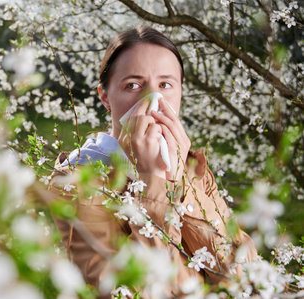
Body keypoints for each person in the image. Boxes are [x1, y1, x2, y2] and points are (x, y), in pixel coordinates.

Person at [49, 26, 257, 298]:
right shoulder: (78, 181)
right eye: (133, 85)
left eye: (165, 85)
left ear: (181, 92)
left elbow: (246, 277)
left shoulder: (192, 169)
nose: (152, 100)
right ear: (104, 97)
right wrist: (153, 182)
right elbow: (124, 292)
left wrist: (179, 179)